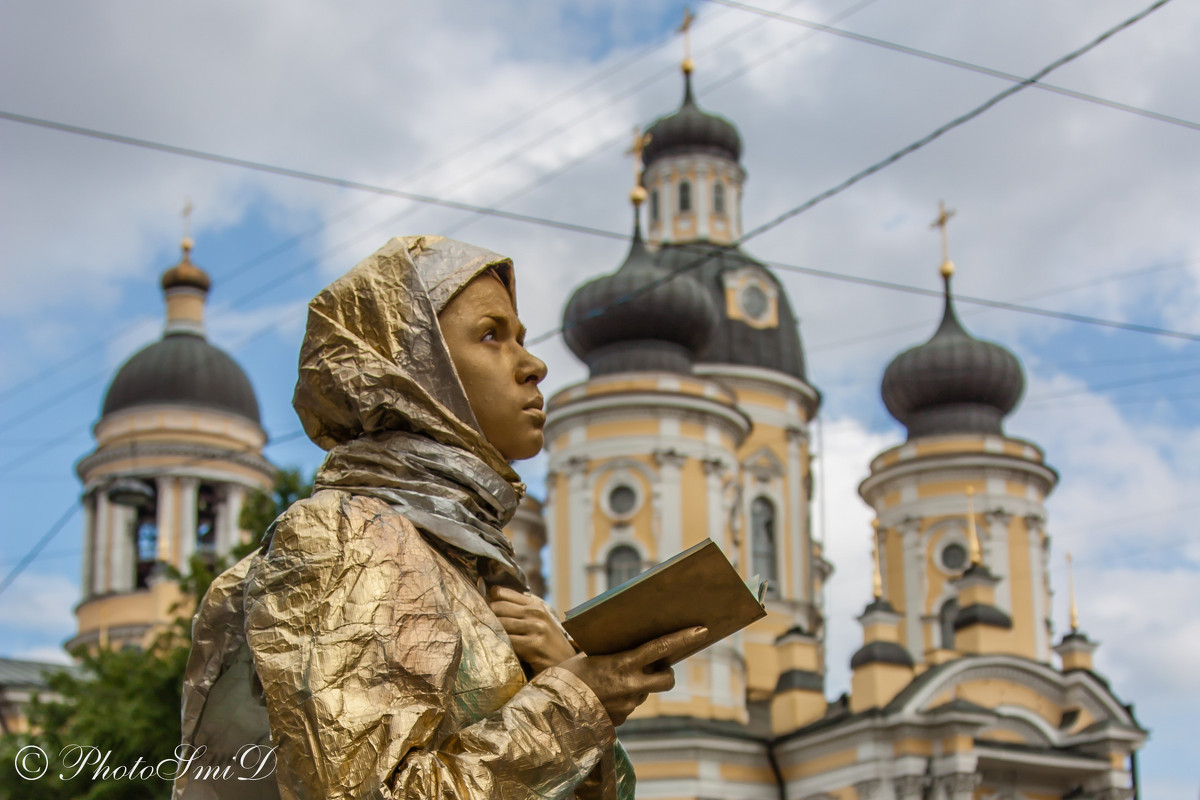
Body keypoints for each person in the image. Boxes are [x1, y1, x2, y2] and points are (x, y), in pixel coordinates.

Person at [173, 236, 704, 800]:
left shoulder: (470, 565)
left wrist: (568, 677)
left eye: (520, 337)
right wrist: (575, 700)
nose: (534, 365)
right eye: (492, 335)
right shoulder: (345, 537)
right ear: (412, 371)